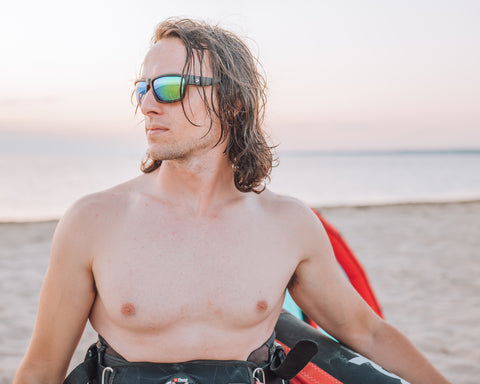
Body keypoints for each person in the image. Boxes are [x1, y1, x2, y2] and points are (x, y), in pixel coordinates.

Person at [14, 18, 451, 384]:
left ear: (234, 101)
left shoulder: (288, 224)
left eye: (169, 87)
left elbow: (367, 334)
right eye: (142, 88)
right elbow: (41, 369)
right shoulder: (93, 221)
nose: (147, 104)